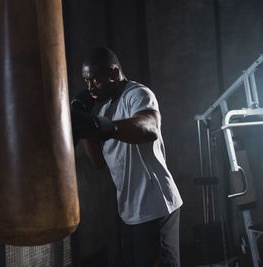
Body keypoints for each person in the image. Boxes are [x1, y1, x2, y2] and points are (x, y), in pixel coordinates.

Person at [71, 47, 183, 267]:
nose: (90, 87)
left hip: (155, 205)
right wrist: (85, 123)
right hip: (130, 210)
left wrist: (103, 127)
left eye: (95, 80)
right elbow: (99, 162)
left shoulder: (138, 94)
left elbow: (149, 127)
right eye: (86, 81)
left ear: (114, 73)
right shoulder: (103, 111)